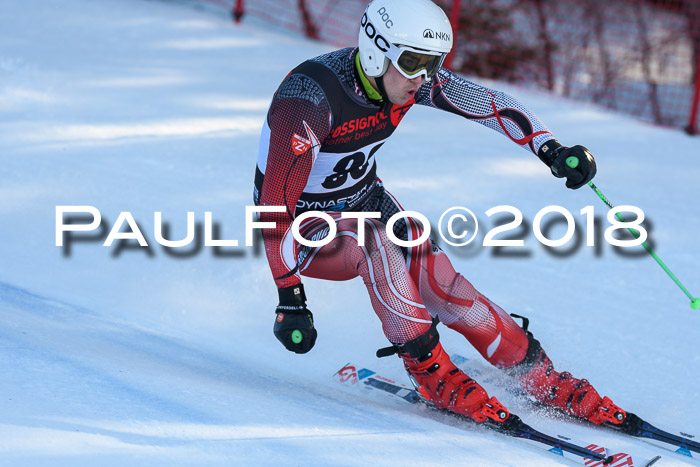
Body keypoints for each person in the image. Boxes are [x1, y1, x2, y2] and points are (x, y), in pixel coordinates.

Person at [253, 0, 627, 427]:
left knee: (432, 267)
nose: (423, 77)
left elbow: (487, 102)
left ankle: (535, 371)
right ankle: (430, 372)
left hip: (361, 199)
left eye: (433, 63)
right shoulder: (309, 101)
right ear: (376, 49)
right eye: (414, 62)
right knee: (376, 246)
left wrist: (549, 147)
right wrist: (290, 297)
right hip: (299, 227)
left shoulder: (401, 77)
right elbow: (273, 208)